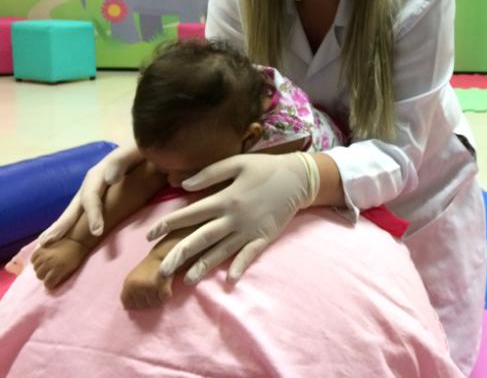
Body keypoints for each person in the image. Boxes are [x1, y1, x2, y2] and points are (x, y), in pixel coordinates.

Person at [38, 0, 487, 374]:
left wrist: (303, 179)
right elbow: (222, 94)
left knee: (427, 354)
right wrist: (151, 153)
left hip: (417, 193)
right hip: (282, 161)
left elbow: (397, 154)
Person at [27, 39, 350, 309]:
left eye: (186, 172)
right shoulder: (208, 107)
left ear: (247, 138)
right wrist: (77, 241)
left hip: (316, 145)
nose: (171, 183)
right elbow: (148, 172)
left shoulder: (280, 138)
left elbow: (224, 204)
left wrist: (159, 261)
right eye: (166, 169)